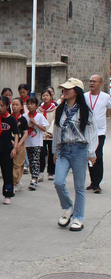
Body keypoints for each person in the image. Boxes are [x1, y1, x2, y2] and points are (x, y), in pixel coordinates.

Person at [53, 78, 98, 232]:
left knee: (79, 186)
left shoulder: (85, 110)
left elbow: (92, 132)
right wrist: (55, 151)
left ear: (76, 91)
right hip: (64, 149)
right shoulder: (60, 109)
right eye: (64, 88)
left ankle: (78, 217)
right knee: (58, 181)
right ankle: (67, 208)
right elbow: (57, 131)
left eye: (69, 89)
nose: (65, 91)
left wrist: (91, 152)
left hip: (80, 149)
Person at [84, 74, 111, 193]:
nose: (92, 83)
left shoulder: (106, 97)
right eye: (90, 81)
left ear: (101, 84)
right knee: (89, 156)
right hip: (87, 132)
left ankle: (97, 183)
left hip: (100, 132)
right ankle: (92, 181)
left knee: (97, 155)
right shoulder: (84, 96)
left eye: (95, 81)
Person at [24, 97, 49, 190]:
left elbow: (44, 128)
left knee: (35, 160)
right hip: (27, 142)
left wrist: (35, 123)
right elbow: (22, 129)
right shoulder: (25, 117)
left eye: (32, 104)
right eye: (28, 104)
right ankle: (33, 176)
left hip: (37, 142)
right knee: (30, 161)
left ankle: (34, 179)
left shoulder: (40, 116)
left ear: (36, 105)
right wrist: (28, 126)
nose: (30, 106)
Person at [38, 89, 57, 181]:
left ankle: (51, 172)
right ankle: (40, 172)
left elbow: (55, 121)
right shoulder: (39, 110)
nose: (45, 97)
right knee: (41, 153)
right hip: (41, 134)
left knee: (51, 153)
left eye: (47, 95)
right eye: (43, 95)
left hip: (51, 135)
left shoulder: (55, 109)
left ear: (51, 97)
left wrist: (50, 131)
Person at [11, 97, 29, 192]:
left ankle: (16, 182)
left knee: (18, 164)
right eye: (13, 105)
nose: (14, 107)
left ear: (21, 106)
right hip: (10, 143)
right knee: (11, 164)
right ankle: (14, 182)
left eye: (17, 105)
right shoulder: (10, 118)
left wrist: (19, 144)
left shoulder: (23, 119)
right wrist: (13, 142)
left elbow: (26, 133)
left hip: (20, 144)